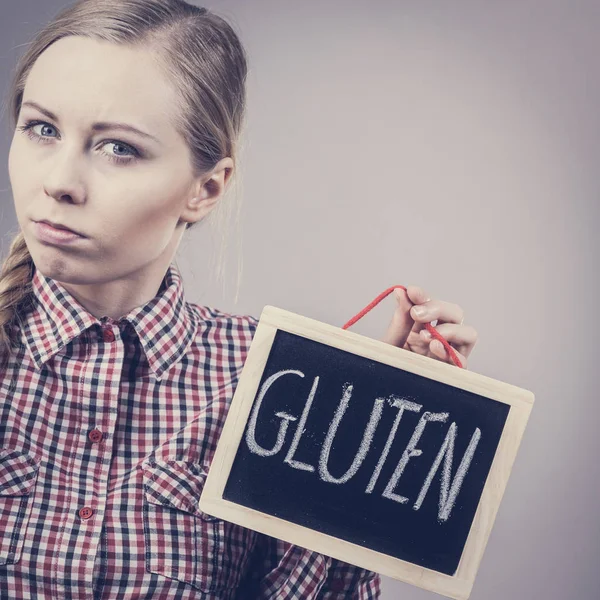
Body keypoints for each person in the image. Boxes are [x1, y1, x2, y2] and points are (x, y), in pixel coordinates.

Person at [0, 1, 478, 598]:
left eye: (119, 148)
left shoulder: (277, 381)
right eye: (42, 129)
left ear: (205, 189)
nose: (59, 182)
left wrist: (360, 441)